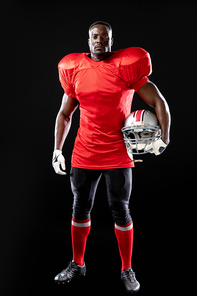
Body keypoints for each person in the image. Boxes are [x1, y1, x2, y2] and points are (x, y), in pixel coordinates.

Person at [52, 21, 171, 293]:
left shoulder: (126, 67)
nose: (99, 41)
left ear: (111, 41)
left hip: (118, 151)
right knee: (80, 207)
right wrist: (57, 149)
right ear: (88, 40)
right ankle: (77, 263)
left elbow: (158, 102)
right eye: (95, 36)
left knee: (121, 209)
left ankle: (127, 269)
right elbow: (64, 114)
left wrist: (164, 139)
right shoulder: (76, 70)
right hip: (84, 151)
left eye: (104, 37)